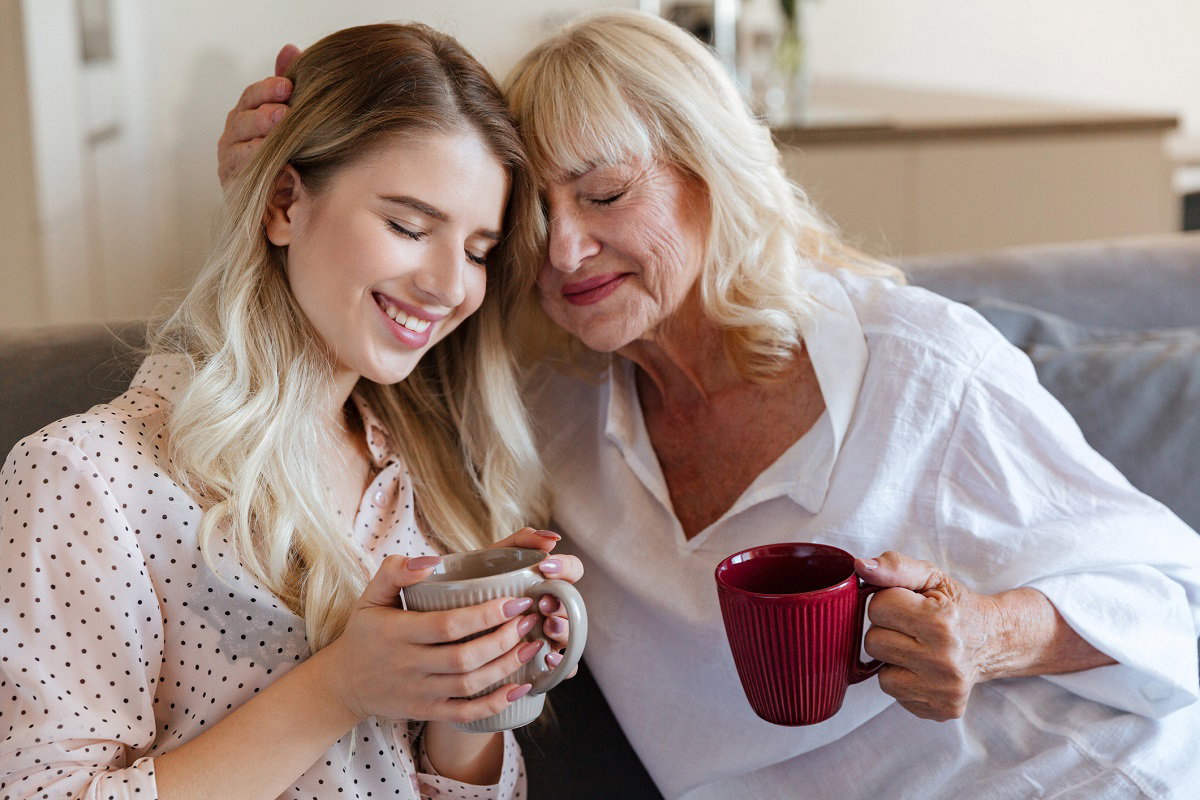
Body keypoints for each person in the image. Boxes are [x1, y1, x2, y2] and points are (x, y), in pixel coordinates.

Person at [221, 10, 1200, 799]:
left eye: (605, 194)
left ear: (710, 172)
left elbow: (1171, 594)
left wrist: (990, 634)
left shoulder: (915, 368)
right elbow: (371, 326)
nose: (565, 251)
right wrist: (270, 196)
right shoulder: (550, 422)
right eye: (533, 223)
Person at [0, 22, 584, 800]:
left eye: (479, 250)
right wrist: (338, 688)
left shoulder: (427, 481)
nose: (451, 285)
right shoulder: (87, 480)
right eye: (409, 225)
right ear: (283, 203)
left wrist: (471, 689)